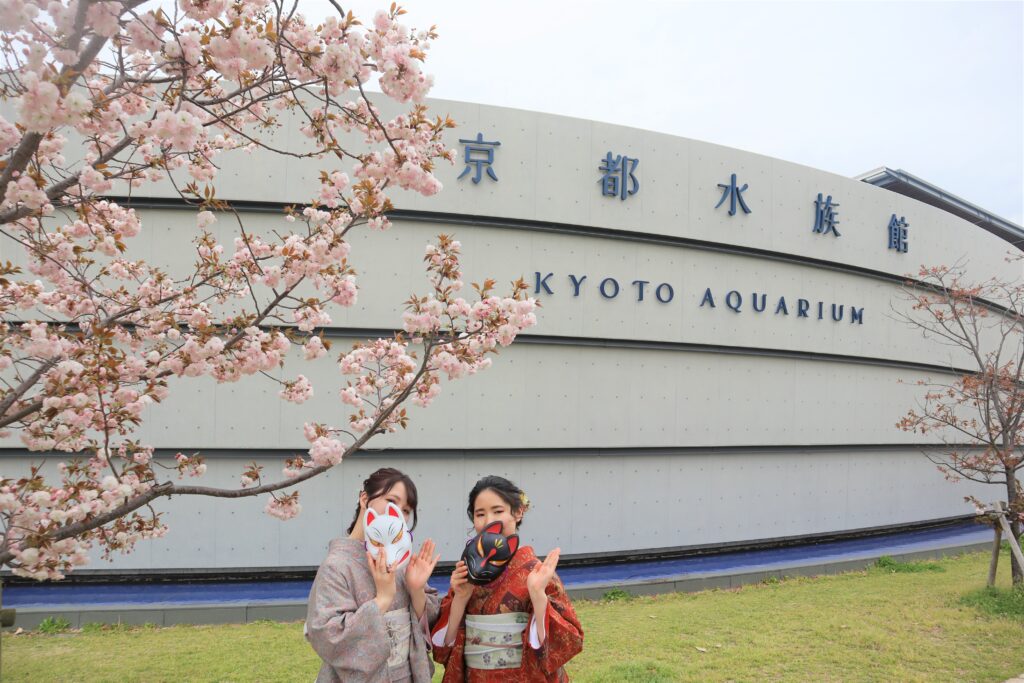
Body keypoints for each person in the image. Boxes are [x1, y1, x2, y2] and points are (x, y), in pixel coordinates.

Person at [431, 476, 584, 682]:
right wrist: (460, 597)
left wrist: (538, 596)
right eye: (480, 514)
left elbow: (563, 645)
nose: (488, 521)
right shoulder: (468, 573)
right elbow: (445, 647)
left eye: (498, 511)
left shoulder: (537, 573)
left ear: (518, 512)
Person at [306, 467, 441, 683]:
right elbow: (327, 635)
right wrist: (383, 599)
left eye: (406, 510)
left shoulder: (401, 562)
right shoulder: (337, 565)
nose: (398, 513)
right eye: (391, 501)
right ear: (364, 499)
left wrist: (417, 591)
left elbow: (430, 622)